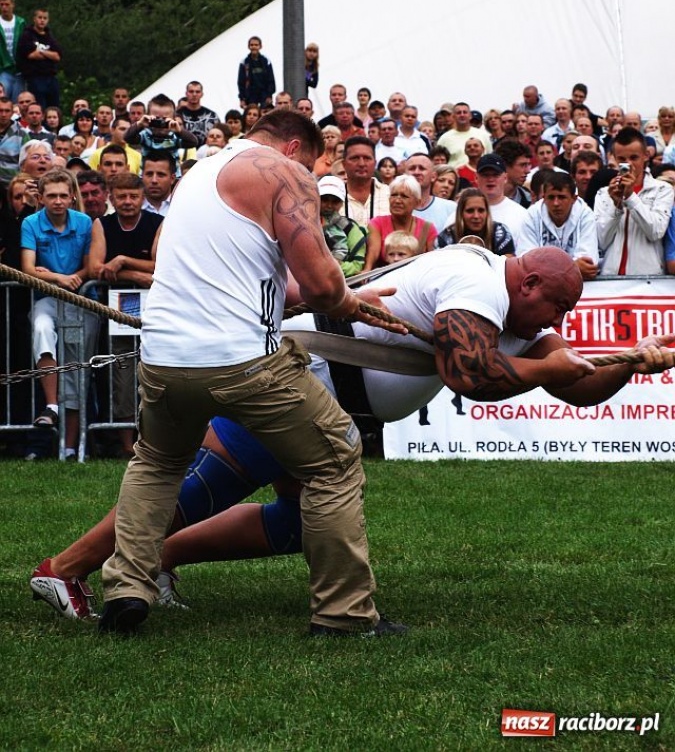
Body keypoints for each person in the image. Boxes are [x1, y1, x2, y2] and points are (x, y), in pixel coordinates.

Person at [31, 246, 675, 621]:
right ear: (530, 281)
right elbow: (473, 376)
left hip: (334, 399)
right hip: (307, 378)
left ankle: (158, 560)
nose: (559, 322)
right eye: (558, 309)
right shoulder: (475, 282)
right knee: (203, 485)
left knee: (297, 521)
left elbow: (574, 382)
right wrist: (547, 367)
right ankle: (65, 570)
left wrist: (630, 363)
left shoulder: (518, 308)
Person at [98, 109, 408, 638]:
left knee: (156, 464)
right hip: (242, 359)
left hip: (165, 358)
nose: (311, 177)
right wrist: (348, 301)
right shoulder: (284, 173)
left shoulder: (199, 173)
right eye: (312, 163)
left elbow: (268, 279)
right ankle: (344, 615)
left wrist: (347, 294)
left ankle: (126, 589)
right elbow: (319, 288)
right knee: (335, 455)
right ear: (294, 148)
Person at [20, 169, 98, 456]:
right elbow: (28, 269)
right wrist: (59, 279)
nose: (58, 201)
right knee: (41, 326)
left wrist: (61, 277)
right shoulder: (30, 222)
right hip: (49, 298)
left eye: (63, 195)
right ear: (40, 198)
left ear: (72, 196)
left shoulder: (84, 222)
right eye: (51, 195)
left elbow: (90, 267)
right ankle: (51, 405)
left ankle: (70, 447)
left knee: (77, 367)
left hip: (82, 299)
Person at [89, 172, 163, 457]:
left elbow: (159, 265)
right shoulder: (103, 224)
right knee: (122, 378)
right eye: (122, 196)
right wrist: (135, 273)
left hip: (154, 310)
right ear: (111, 197)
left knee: (153, 375)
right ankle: (125, 446)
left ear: (142, 198)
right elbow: (97, 268)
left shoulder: (158, 223)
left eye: (133, 196)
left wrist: (121, 263)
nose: (128, 202)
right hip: (117, 311)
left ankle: (152, 443)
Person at [595, 127, 673, 276]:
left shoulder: (663, 189)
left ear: (646, 156)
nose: (628, 164)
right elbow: (601, 241)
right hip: (610, 278)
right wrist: (616, 205)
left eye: (634, 157)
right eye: (622, 159)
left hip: (649, 278)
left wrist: (630, 197)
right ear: (614, 158)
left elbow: (655, 232)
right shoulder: (604, 193)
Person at [519, 171, 599, 279]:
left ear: (573, 199)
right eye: (551, 197)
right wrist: (573, 267)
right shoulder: (531, 215)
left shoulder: (585, 214)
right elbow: (525, 263)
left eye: (561, 197)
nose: (556, 203)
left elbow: (588, 265)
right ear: (544, 197)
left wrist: (544, 269)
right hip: (542, 288)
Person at [363, 174, 437, 270]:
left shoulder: (427, 228)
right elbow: (373, 252)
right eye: (394, 195)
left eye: (404, 196)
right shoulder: (377, 223)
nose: (397, 200)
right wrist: (367, 269)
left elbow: (433, 261)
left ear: (417, 203)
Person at [436, 187, 515, 255]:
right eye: (470, 211)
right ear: (461, 213)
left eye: (481, 210)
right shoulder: (446, 236)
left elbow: (507, 265)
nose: (476, 216)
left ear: (487, 212)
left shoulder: (500, 233)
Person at [317, 175, 366, 277]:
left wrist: (329, 267)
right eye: (325, 199)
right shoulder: (304, 222)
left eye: (335, 201)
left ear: (342, 203)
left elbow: (357, 266)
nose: (329, 205)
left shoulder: (350, 228)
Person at [17, 9, 63, 109]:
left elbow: (57, 56)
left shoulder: (49, 36)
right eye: (40, 17)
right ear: (34, 19)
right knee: (39, 107)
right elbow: (31, 55)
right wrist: (49, 54)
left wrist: (41, 51)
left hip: (51, 77)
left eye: (45, 18)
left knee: (54, 107)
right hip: (35, 77)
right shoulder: (27, 35)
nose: (42, 20)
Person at [341, 137, 391, 229]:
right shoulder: (332, 197)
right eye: (355, 158)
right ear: (344, 164)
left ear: (375, 163)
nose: (361, 164)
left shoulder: (390, 194)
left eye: (367, 158)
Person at [0, 0, 26, 102]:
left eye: (7, 4)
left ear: (12, 5)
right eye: (2, 4)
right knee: (3, 98)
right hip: (3, 68)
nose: (4, 7)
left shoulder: (20, 22)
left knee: (18, 101)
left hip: (20, 68)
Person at [237, 36, 275, 108]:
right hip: (250, 96)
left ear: (260, 46)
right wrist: (242, 98)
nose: (254, 47)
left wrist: (269, 95)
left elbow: (271, 79)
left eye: (256, 45)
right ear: (248, 46)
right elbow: (241, 82)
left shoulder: (266, 61)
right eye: (252, 45)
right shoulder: (244, 62)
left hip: (264, 96)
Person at [177, 81, 218, 146]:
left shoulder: (212, 116)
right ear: (186, 93)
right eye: (191, 91)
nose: (194, 94)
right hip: (182, 151)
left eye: (197, 92)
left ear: (202, 94)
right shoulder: (177, 115)